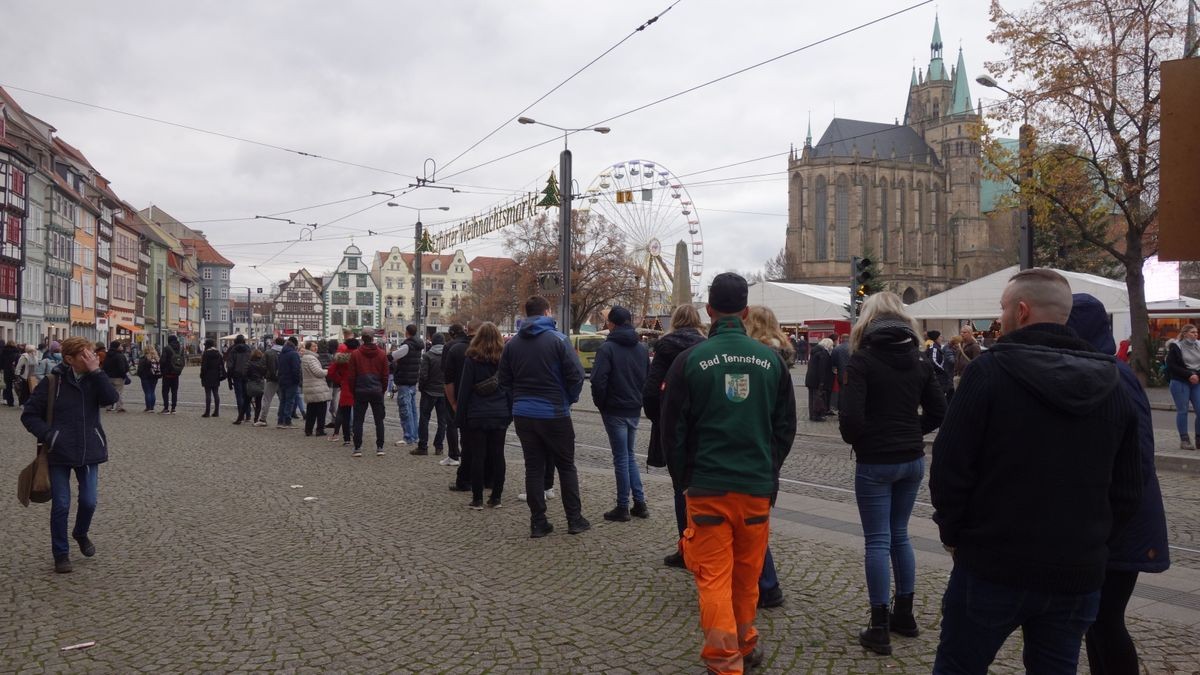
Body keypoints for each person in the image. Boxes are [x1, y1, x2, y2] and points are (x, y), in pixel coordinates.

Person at [929, 268, 1142, 674]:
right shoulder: (1113, 381)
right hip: (1076, 573)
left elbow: (949, 468)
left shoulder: (988, 373)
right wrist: (1093, 544)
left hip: (992, 565)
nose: (1001, 316)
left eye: (1004, 308)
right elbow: (1130, 488)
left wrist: (955, 536)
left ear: (1021, 311)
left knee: (959, 666)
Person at [660, 272, 797, 675]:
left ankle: (724, 659)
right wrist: (768, 469)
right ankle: (744, 641)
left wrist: (683, 478)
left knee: (713, 576)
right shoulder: (771, 360)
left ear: (709, 311)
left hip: (706, 488)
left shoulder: (689, 361)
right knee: (746, 575)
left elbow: (673, 432)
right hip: (755, 488)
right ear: (746, 311)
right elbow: (785, 427)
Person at [837, 293, 946, 655]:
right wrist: (913, 429)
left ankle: (879, 625)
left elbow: (850, 419)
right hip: (912, 459)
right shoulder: (918, 361)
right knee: (900, 535)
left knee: (877, 540)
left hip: (876, 461)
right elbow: (939, 411)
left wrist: (865, 438)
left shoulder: (863, 360)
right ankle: (906, 615)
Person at [21, 336, 120, 573]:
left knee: (89, 500)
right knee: (61, 505)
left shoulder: (95, 380)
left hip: (89, 449)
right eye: (86, 355)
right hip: (59, 452)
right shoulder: (52, 382)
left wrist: (97, 372)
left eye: (92, 353)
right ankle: (61, 553)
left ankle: (80, 532)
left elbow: (111, 399)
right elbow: (29, 415)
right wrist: (49, 435)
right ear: (69, 359)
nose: (92, 358)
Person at [498, 296, 588, 538]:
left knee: (533, 468)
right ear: (547, 312)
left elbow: (503, 380)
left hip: (523, 414)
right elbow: (577, 375)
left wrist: (516, 401)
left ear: (526, 315)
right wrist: (569, 399)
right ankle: (574, 519)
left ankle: (538, 522)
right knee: (566, 466)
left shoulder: (513, 344)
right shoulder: (558, 340)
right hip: (554, 412)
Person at [645, 304, 707, 569]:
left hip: (675, 427)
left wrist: (659, 419)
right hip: (703, 426)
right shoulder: (707, 347)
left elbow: (650, 390)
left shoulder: (665, 348)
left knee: (680, 488)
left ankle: (687, 547)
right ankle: (708, 544)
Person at [591, 306, 650, 523]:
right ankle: (640, 503)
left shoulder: (607, 348)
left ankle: (623, 506)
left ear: (611, 324)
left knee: (621, 457)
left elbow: (598, 381)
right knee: (630, 455)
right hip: (633, 407)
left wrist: (601, 404)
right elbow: (648, 378)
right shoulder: (642, 349)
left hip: (614, 408)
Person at [455, 322, 512, 509]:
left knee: (477, 456)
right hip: (499, 413)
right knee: (498, 455)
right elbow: (510, 388)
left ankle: (477, 498)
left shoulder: (472, 359)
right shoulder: (504, 359)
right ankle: (496, 497)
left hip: (477, 413)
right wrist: (509, 412)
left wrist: (460, 417)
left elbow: (464, 391)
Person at [444, 322, 482, 486]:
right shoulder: (495, 349)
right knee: (491, 445)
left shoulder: (455, 348)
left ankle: (465, 479)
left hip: (464, 401)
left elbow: (447, 379)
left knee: (467, 443)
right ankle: (489, 480)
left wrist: (453, 402)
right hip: (490, 405)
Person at [348, 327, 389, 457]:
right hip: (376, 389)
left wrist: (353, 390)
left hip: (360, 389)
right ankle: (380, 447)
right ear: (372, 338)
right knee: (379, 420)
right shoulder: (382, 354)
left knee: (358, 420)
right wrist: (382, 389)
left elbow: (351, 376)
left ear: (362, 338)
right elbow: (385, 376)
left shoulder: (355, 354)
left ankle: (357, 447)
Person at [414, 333, 449, 456]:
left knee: (424, 419)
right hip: (443, 392)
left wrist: (422, 388)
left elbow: (423, 375)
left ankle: (423, 446)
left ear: (432, 343)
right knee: (442, 421)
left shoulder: (428, 356)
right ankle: (439, 447)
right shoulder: (447, 356)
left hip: (429, 392)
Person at [1166, 323, 1200, 450]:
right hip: (1180, 381)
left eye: (1196, 332)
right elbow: (1172, 366)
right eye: (1192, 332)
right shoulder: (1176, 346)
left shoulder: (1199, 345)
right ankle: (1184, 440)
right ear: (1185, 334)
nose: (1195, 335)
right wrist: (1188, 375)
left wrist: (1197, 376)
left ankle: (1198, 439)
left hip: (1196, 382)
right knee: (1183, 410)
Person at [390, 324, 423, 447]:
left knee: (405, 409)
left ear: (407, 332)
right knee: (413, 409)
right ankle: (414, 435)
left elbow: (392, 356)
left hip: (404, 380)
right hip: (413, 380)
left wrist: (391, 355)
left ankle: (408, 436)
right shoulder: (418, 345)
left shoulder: (406, 346)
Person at [327, 338, 359, 446]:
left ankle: (346, 440)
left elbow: (331, 372)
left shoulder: (341, 357)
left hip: (346, 387)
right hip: (359, 387)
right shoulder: (359, 356)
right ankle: (357, 436)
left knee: (345, 414)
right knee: (359, 414)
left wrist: (339, 380)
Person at [300, 341, 331, 437]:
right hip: (317, 387)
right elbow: (318, 372)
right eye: (314, 346)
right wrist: (328, 371)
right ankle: (320, 429)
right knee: (321, 409)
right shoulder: (311, 358)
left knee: (311, 410)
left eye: (316, 346)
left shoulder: (306, 357)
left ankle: (308, 429)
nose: (316, 347)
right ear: (309, 348)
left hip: (311, 386)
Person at [224, 335, 253, 424]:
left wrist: (229, 379)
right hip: (247, 375)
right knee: (247, 396)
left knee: (239, 396)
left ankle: (240, 416)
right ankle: (248, 415)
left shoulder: (233, 350)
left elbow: (230, 365)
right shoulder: (248, 349)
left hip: (236, 375)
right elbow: (251, 362)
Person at [275, 337, 301, 429]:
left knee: (283, 401)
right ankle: (287, 421)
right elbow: (296, 369)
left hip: (282, 380)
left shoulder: (282, 353)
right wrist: (297, 380)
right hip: (291, 381)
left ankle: (280, 421)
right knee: (290, 401)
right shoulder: (294, 354)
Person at [805, 337, 833, 421]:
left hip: (810, 378)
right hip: (817, 379)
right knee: (818, 397)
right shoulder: (823, 353)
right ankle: (817, 416)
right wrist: (822, 381)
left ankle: (812, 415)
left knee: (812, 398)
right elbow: (822, 369)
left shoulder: (814, 351)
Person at [258, 336, 283, 426]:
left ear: (274, 342)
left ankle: (263, 419)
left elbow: (262, 366)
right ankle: (282, 419)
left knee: (266, 400)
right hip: (282, 379)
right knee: (283, 400)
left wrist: (265, 374)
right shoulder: (286, 352)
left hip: (271, 379)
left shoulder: (269, 352)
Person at [925, 330, 955, 403]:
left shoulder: (936, 346)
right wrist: (942, 369)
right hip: (938, 377)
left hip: (939, 377)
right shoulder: (934, 348)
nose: (942, 338)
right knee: (939, 397)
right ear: (936, 338)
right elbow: (933, 361)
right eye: (940, 336)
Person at [200, 339, 225, 417]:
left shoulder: (206, 354)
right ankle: (216, 411)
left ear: (207, 345)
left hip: (207, 375)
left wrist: (202, 375)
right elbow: (222, 365)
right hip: (216, 375)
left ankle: (207, 412)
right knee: (216, 393)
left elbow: (204, 367)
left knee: (208, 394)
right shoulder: (218, 353)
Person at [159, 336, 183, 414]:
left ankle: (166, 408)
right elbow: (182, 361)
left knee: (165, 391)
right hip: (176, 374)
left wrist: (163, 371)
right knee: (174, 391)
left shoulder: (166, 348)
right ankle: (173, 408)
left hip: (167, 374)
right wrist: (178, 370)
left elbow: (162, 361)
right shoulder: (180, 349)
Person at [136, 345, 161, 412]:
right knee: (152, 392)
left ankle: (148, 407)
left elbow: (140, 369)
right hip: (154, 377)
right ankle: (152, 407)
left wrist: (139, 375)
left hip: (145, 377)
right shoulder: (156, 358)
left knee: (147, 392)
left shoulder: (143, 358)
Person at [828, 333, 850, 411]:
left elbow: (833, 362)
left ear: (841, 339)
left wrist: (836, 368)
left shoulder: (837, 349)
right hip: (852, 373)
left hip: (841, 373)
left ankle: (841, 408)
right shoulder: (854, 348)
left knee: (841, 391)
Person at [245, 348, 266, 426]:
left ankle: (240, 417)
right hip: (260, 383)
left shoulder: (249, 363)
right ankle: (256, 418)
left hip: (251, 383)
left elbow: (246, 373)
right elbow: (264, 373)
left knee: (247, 401)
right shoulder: (262, 364)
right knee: (258, 402)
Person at [1, 340, 19, 406]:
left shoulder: (4, 352)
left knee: (8, 387)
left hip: (7, 371)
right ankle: (21, 401)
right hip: (15, 371)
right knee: (18, 386)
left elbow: (1, 362)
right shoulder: (16, 351)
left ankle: (10, 402)